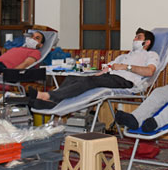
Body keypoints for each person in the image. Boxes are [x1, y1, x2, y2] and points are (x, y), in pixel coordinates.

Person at [25, 28, 159, 109]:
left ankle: (48, 96)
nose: (135, 39)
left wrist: (126, 67)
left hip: (125, 81)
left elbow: (149, 71)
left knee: (90, 82)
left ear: (146, 42)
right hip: (109, 77)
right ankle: (55, 103)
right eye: (135, 36)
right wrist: (101, 72)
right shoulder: (125, 56)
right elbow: (108, 66)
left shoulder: (151, 55)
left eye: (138, 37)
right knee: (73, 77)